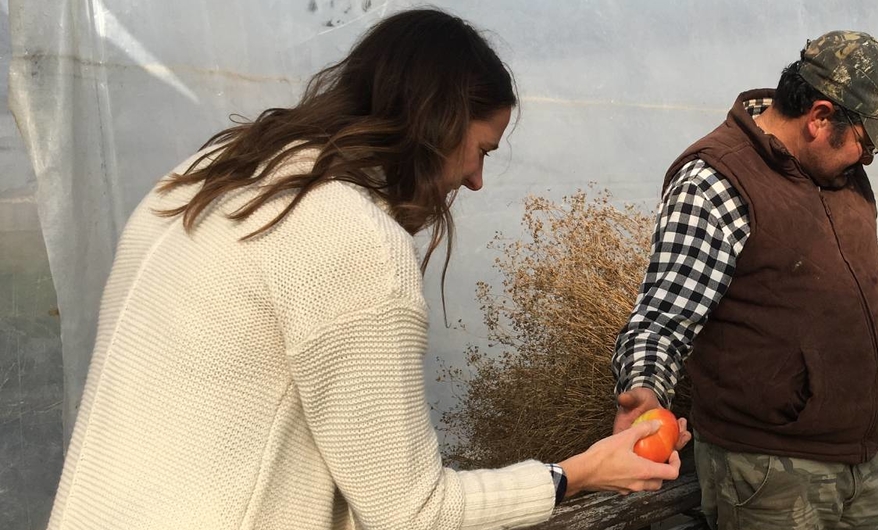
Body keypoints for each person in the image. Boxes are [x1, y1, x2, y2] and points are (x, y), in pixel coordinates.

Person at [46, 9, 686, 530]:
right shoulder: (350, 239)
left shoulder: (205, 181)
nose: (477, 180)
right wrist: (576, 474)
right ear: (436, 121)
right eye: (481, 150)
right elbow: (412, 514)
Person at [611, 31, 878, 529]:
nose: (867, 161)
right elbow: (662, 319)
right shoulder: (717, 180)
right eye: (866, 145)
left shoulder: (843, 177)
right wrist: (646, 390)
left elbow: (869, 295)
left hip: (861, 459)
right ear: (820, 117)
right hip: (770, 469)